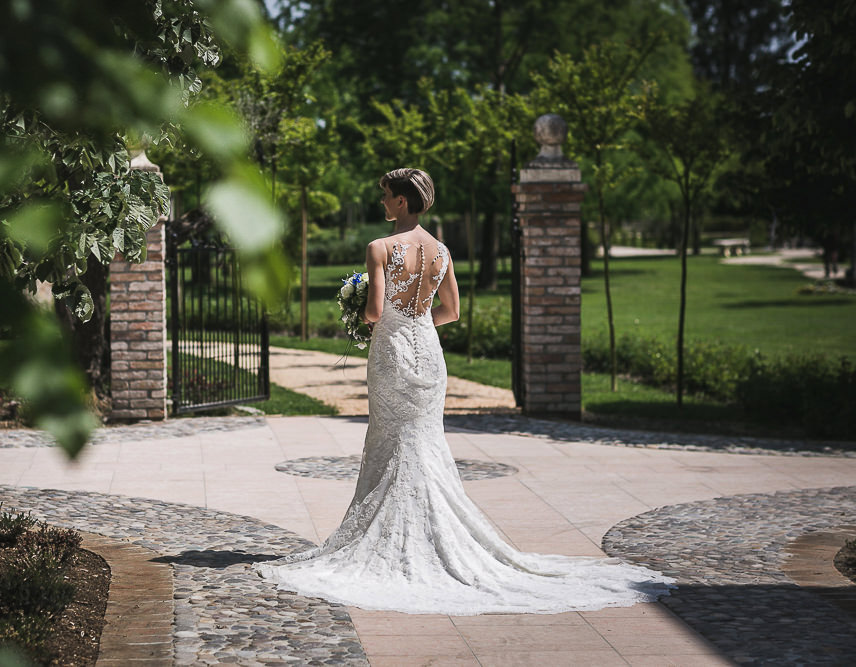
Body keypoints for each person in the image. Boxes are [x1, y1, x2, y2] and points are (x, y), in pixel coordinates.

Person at [255, 168, 673, 614]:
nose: (382, 203)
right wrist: (415, 322)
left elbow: (376, 311)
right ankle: (436, 538)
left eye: (386, 197)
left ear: (402, 202)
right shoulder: (442, 251)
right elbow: (451, 311)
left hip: (393, 356)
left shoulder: (380, 248)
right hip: (429, 354)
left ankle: (393, 541)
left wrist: (365, 315)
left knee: (390, 441)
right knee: (424, 443)